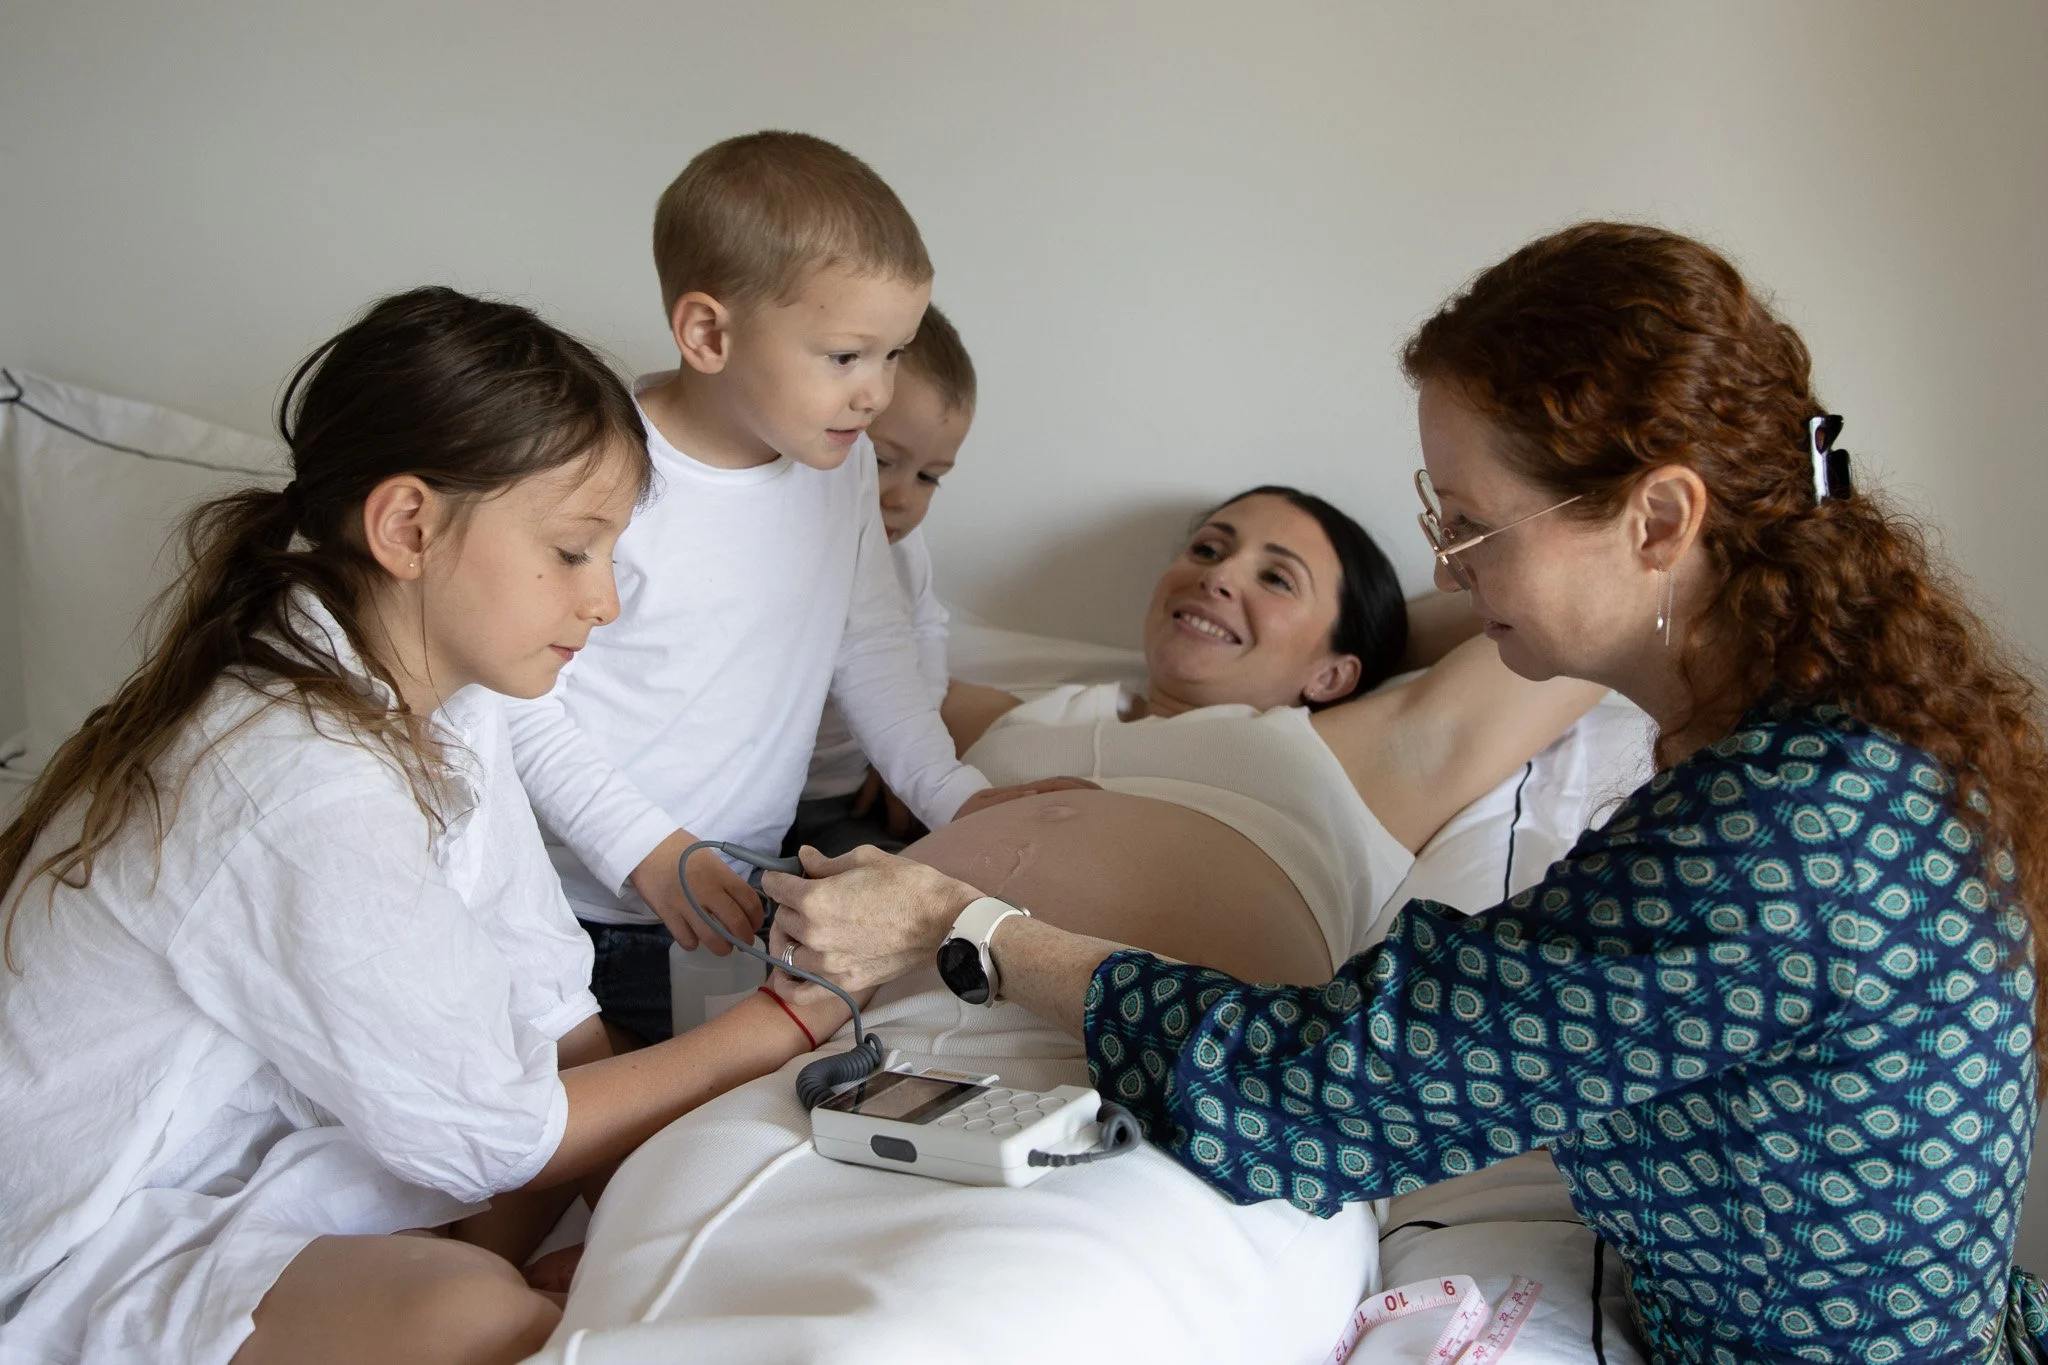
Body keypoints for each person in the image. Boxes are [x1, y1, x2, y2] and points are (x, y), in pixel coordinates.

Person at [764, 223, 2048, 1363]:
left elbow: (1319, 1088)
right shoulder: (1827, 752)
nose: (1448, 563)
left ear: (1660, 522)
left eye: (1470, 527)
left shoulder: (1772, 841)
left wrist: (965, 926)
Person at [0, 288, 851, 1365]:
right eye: (574, 550)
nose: (605, 603)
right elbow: (495, 1131)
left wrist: (637, 1229)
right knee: (481, 1319)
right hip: (85, 1233)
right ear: (408, 527)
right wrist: (789, 1019)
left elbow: (543, 990)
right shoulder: (293, 778)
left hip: (265, 1156)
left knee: (586, 1240)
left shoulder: (456, 702)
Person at [504, 132, 1073, 1044]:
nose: (877, 393)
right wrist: (645, 849)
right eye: (847, 356)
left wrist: (952, 795)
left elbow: (871, 645)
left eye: (894, 355)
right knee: (593, 1131)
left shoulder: (836, 470)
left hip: (732, 893)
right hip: (574, 903)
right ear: (707, 333)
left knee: (734, 1109)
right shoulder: (597, 471)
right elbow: (517, 702)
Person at [918, 482, 1603, 986]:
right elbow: (841, 663)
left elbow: (1586, 606)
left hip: (1137, 1084)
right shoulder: (996, 716)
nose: (1216, 575)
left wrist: (1379, 636)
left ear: (1337, 673)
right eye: (1208, 549)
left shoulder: (1364, 752)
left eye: (1276, 577)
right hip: (869, 1035)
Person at [788, 302, 976, 857]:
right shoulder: (779, 539)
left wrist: (900, 759)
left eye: (929, 477)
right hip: (747, 795)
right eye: (881, 460)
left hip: (847, 790)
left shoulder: (903, 555)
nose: (901, 498)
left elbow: (926, 631)